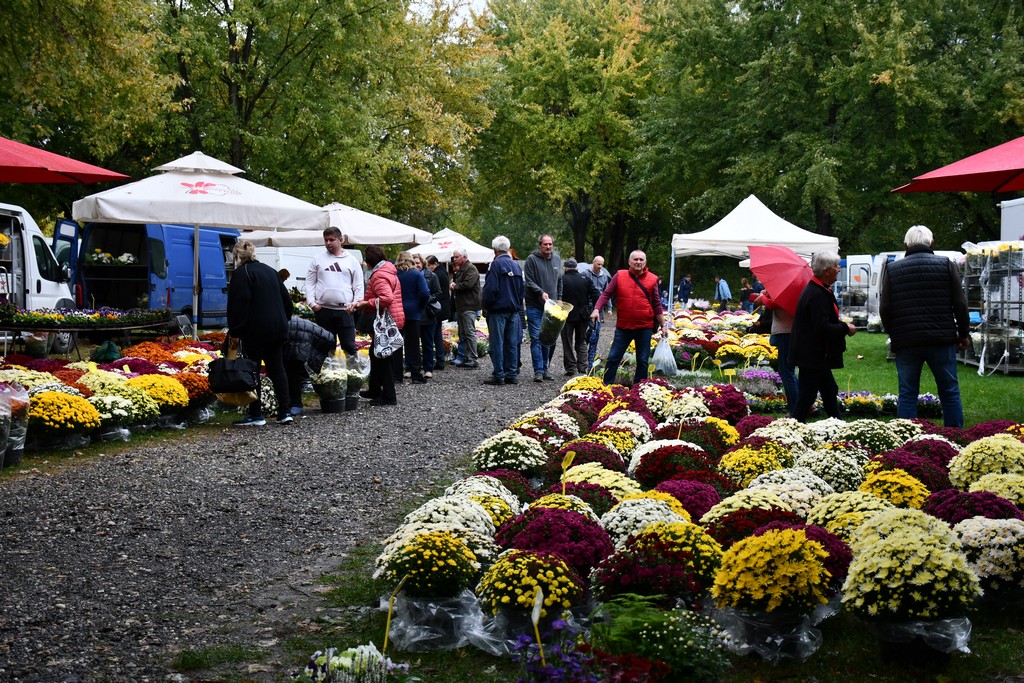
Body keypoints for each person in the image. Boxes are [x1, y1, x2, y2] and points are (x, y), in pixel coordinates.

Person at [879, 225, 970, 427]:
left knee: (907, 393)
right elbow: (960, 304)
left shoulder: (893, 269)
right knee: (949, 391)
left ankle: (908, 436)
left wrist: (893, 332)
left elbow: (885, 308)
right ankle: (955, 435)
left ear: (905, 245)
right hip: (941, 338)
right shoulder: (946, 265)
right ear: (932, 243)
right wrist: (963, 333)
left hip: (906, 340)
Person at [226, 240, 294, 426]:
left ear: (236, 256)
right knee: (277, 368)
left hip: (254, 329)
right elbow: (287, 302)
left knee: (252, 369)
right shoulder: (270, 271)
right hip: (277, 327)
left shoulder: (241, 274)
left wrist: (235, 330)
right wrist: (283, 319)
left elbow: (239, 304)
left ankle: (256, 413)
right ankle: (285, 411)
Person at [789, 250, 856, 421]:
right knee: (807, 395)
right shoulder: (816, 293)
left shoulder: (819, 289)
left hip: (815, 354)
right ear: (826, 271)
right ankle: (793, 426)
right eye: (836, 266)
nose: (838, 269)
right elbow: (822, 328)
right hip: (813, 354)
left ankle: (836, 423)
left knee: (828, 389)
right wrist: (845, 327)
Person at [590, 250, 669, 385]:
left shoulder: (653, 279)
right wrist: (597, 309)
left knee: (642, 361)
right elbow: (606, 294)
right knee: (613, 358)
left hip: (644, 327)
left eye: (641, 260)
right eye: (635, 259)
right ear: (629, 261)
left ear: (645, 262)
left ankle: (638, 389)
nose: (638, 262)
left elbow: (657, 304)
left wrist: (663, 325)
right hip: (623, 327)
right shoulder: (620, 275)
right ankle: (606, 387)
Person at [349, 245, 404, 406]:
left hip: (386, 321)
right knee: (376, 354)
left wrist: (366, 303)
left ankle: (389, 396)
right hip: (393, 317)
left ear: (369, 261)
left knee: (383, 357)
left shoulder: (379, 275)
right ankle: (374, 389)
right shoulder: (388, 270)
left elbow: (386, 298)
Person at [304, 226, 363, 356]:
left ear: (340, 240)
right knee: (325, 348)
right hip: (323, 311)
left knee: (349, 347)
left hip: (345, 311)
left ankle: (353, 369)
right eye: (326, 240)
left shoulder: (352, 260)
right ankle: (327, 370)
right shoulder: (317, 259)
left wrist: (355, 303)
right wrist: (312, 303)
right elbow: (309, 282)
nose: (328, 243)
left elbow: (358, 285)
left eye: (331, 239)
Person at [481, 235, 525, 385]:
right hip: (514, 310)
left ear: (494, 250)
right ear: (508, 248)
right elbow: (521, 290)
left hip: (498, 310)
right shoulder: (516, 265)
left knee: (497, 343)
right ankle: (511, 374)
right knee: (512, 343)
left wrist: (486, 306)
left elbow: (490, 290)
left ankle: (499, 374)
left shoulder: (495, 265)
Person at [523, 234, 563, 381]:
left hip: (551, 306)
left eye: (550, 244)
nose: (548, 247)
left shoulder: (557, 260)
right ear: (540, 245)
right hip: (535, 305)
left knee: (548, 338)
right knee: (536, 338)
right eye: (545, 244)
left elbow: (560, 281)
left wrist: (559, 298)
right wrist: (540, 292)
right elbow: (529, 281)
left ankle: (545, 368)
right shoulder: (531, 260)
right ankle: (538, 371)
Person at [754, 289, 798, 416]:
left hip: (785, 332)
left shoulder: (785, 289)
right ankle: (804, 405)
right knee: (789, 371)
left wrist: (763, 296)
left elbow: (772, 304)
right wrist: (767, 294)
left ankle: (795, 409)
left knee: (786, 372)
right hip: (790, 331)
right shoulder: (792, 288)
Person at [283, 317, 336, 416]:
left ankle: (296, 403)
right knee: (290, 368)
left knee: (292, 369)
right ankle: (291, 402)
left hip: (299, 336)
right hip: (298, 332)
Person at [395, 252, 430, 384]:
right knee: (413, 344)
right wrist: (420, 306)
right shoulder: (416, 274)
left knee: (397, 344)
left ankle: (397, 375)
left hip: (397, 311)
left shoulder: (394, 274)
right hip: (413, 312)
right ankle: (415, 374)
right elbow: (425, 293)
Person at [559, 258, 596, 375]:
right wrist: (593, 309)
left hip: (566, 315)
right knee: (581, 341)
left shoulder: (562, 279)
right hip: (583, 316)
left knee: (567, 342)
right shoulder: (585, 279)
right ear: (577, 268)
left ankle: (571, 368)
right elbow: (596, 294)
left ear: (565, 268)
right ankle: (582, 367)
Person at [450, 247, 481, 368]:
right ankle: (465, 357)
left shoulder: (471, 268)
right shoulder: (461, 269)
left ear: (464, 257)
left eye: (457, 257)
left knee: (469, 332)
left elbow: (468, 284)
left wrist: (455, 286)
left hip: (469, 305)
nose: (455, 259)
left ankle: (472, 358)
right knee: (463, 333)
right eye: (454, 257)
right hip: (462, 306)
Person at [580, 255, 612, 370]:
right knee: (590, 327)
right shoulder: (585, 274)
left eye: (602, 264)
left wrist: (609, 307)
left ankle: (591, 352)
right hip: (588, 305)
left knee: (596, 330)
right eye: (598, 264)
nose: (600, 266)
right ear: (593, 263)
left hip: (599, 305)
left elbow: (607, 292)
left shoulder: (604, 277)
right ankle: (584, 346)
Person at [413, 254, 442, 378]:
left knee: (428, 343)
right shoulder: (410, 276)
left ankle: (428, 368)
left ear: (422, 263)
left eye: (417, 263)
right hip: (414, 314)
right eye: (413, 263)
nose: (416, 265)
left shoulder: (432, 276)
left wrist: (426, 298)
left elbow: (438, 293)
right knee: (413, 344)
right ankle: (414, 368)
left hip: (427, 314)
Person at [426, 255, 450, 370]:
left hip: (436, 309)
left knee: (435, 335)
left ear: (435, 264)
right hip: (441, 308)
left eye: (429, 265)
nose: (427, 267)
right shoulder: (443, 272)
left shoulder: (437, 275)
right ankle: (440, 359)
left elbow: (437, 292)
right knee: (437, 335)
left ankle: (439, 360)